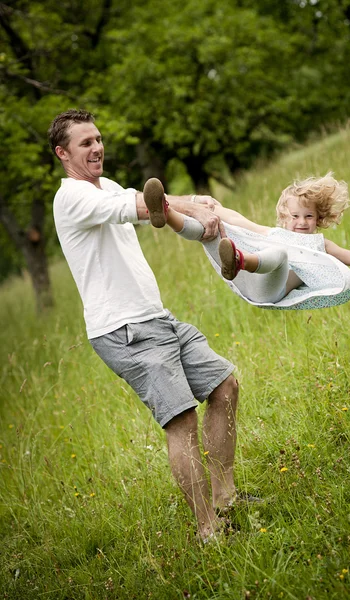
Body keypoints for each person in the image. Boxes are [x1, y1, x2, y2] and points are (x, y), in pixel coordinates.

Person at [48, 108, 255, 543]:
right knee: (181, 421)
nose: (97, 147)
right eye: (86, 143)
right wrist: (195, 202)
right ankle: (208, 531)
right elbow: (142, 204)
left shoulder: (106, 187)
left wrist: (200, 210)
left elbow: (154, 208)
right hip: (124, 330)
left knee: (225, 387)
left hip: (155, 318)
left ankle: (227, 498)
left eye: (99, 139)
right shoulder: (72, 197)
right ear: (63, 153)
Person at [143, 174, 350, 311]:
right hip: (245, 280)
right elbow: (236, 219)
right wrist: (213, 208)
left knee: (278, 253)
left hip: (268, 289)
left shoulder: (319, 246)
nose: (302, 222)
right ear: (284, 217)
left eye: (309, 216)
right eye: (296, 216)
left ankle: (239, 260)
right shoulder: (271, 232)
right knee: (210, 228)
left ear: (318, 219)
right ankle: (165, 213)